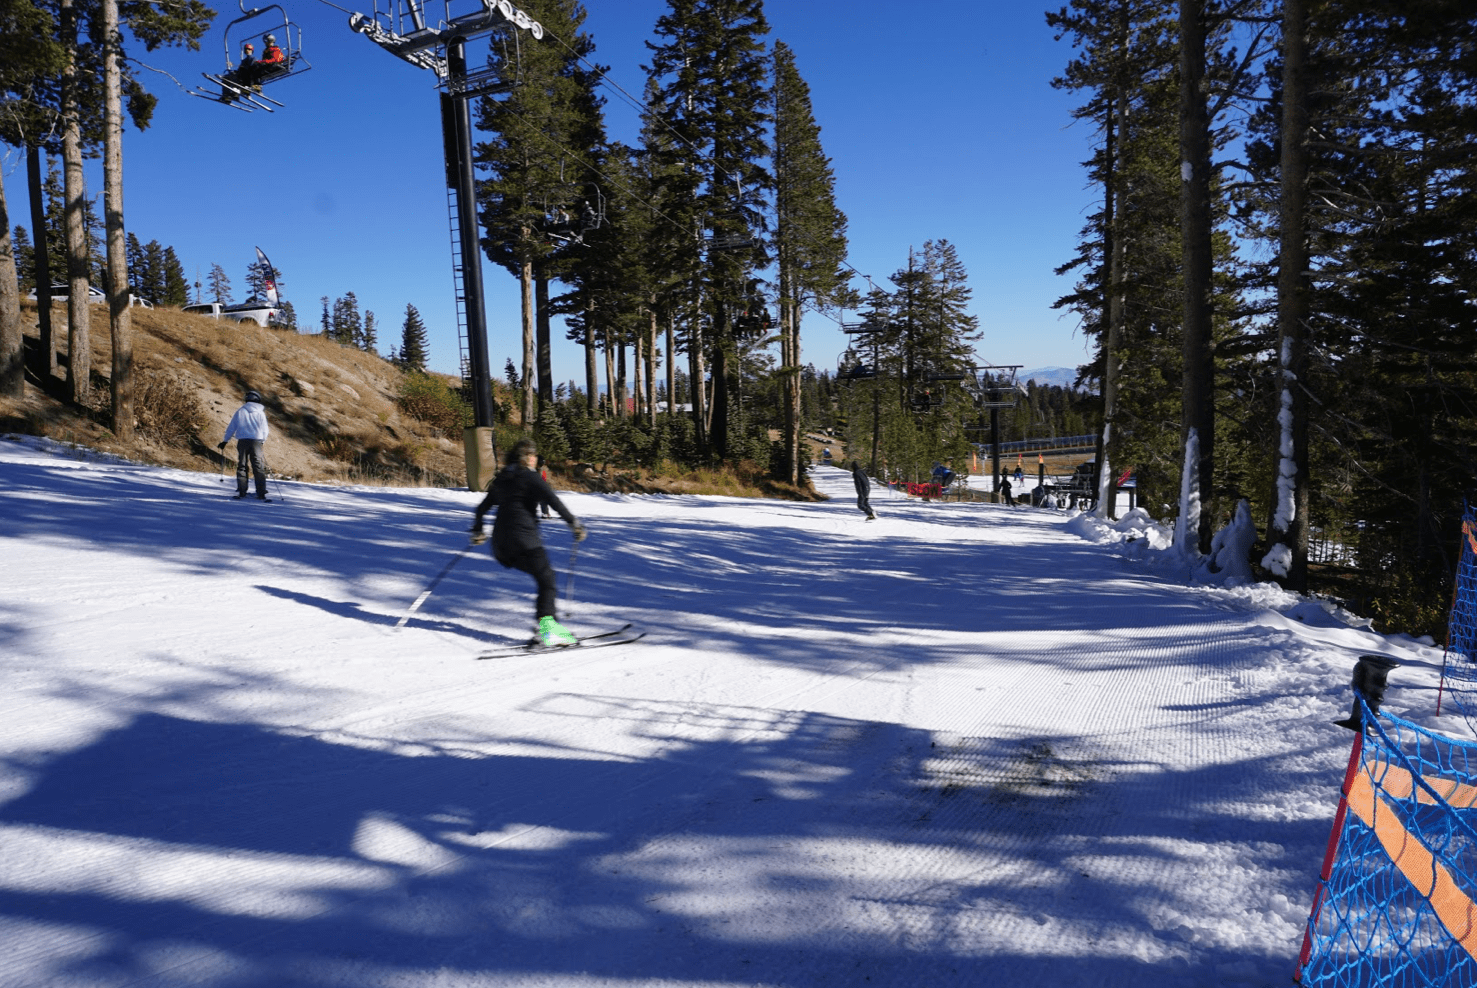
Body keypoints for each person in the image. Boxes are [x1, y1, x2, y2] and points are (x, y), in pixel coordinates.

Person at [470, 438, 587, 647]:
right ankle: (547, 630)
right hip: (524, 541)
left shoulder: (503, 478)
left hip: (501, 547)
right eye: (532, 455)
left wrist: (478, 531)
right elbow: (553, 501)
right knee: (547, 579)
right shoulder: (531, 478)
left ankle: (549, 626)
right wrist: (574, 524)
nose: (535, 458)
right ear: (526, 458)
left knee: (543, 578)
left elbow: (481, 509)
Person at [218, 390, 269, 500]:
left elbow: (231, 427)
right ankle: (261, 493)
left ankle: (242, 491)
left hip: (243, 442)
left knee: (242, 466)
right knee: (258, 467)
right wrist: (262, 441)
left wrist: (225, 441)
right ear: (258, 400)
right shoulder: (261, 413)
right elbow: (265, 430)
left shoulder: (240, 411)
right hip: (257, 441)